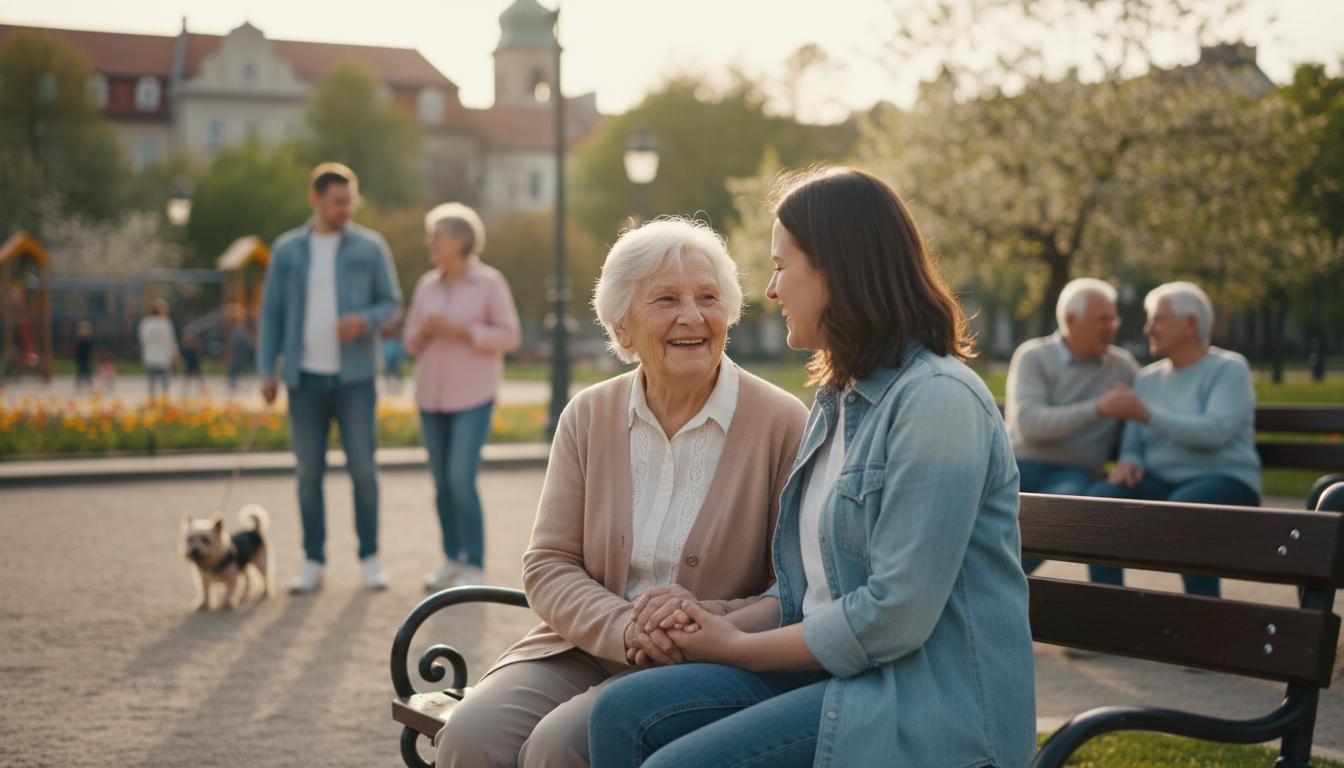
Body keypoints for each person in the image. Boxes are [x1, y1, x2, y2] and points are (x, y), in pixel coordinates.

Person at [588, 168, 1036, 768]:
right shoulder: (839, 401)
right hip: (839, 675)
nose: (771, 290)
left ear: (836, 271)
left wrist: (734, 647)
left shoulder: (937, 400)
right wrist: (713, 623)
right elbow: (813, 590)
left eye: (781, 266)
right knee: (620, 712)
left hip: (921, 703)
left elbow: (894, 617)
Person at [432, 218, 808, 768]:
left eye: (708, 297)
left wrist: (703, 622)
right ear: (623, 329)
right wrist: (624, 627)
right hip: (586, 644)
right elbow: (549, 563)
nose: (692, 316)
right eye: (666, 299)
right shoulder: (588, 415)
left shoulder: (781, 422)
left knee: (558, 745)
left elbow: (795, 586)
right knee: (470, 735)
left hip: (706, 662)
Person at [257, 162, 402, 593]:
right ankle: (313, 560)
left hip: (356, 378)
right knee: (308, 474)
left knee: (364, 471)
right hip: (304, 380)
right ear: (316, 199)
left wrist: (364, 321)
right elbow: (271, 314)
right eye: (338, 202)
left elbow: (392, 302)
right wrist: (267, 370)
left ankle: (369, 557)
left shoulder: (370, 247)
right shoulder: (287, 250)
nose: (345, 209)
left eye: (350, 201)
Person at [1083, 281, 1260, 597]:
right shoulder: (1147, 378)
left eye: (1158, 319)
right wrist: (1129, 461)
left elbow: (1215, 432)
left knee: (1185, 510)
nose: (1148, 329)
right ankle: (1108, 610)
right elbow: (1134, 444)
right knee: (1099, 501)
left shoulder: (1229, 369)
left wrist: (1147, 413)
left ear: (1190, 323)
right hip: (1163, 482)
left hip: (1226, 480)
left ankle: (1202, 614)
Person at [403, 203, 521, 592]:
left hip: (474, 396)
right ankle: (452, 558)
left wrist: (464, 330)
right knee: (441, 483)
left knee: (460, 478)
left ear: (460, 240)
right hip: (430, 397)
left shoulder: (490, 283)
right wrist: (424, 333)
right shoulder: (426, 285)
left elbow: (510, 336)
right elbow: (409, 342)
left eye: (437, 236)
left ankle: (476, 562)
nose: (430, 243)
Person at [1005, 277, 1138, 576]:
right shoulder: (1033, 356)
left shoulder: (1123, 366)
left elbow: (1141, 417)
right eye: (1102, 319)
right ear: (1070, 320)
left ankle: (996, 587)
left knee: (1063, 513)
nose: (1111, 327)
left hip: (1074, 474)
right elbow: (1030, 425)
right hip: (1017, 468)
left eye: (1113, 319)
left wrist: (1130, 456)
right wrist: (1097, 409)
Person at [138, 298, 178, 399]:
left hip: (150, 357)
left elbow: (143, 340)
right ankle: (164, 402)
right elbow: (171, 341)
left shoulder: (145, 322)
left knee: (151, 385)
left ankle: (152, 403)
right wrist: (175, 354)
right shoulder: (166, 323)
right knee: (165, 385)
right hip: (163, 357)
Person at [226, 304, 253, 393]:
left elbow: (236, 344)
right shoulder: (242, 331)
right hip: (240, 355)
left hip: (240, 355)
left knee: (235, 368)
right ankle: (233, 383)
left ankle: (233, 383)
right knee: (234, 369)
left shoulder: (240, 332)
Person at [74, 321, 95, 394]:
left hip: (86, 358)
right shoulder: (80, 340)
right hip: (81, 359)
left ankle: (89, 384)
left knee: (87, 371)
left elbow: (89, 350)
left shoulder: (88, 340)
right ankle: (79, 384)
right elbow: (78, 350)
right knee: (80, 371)